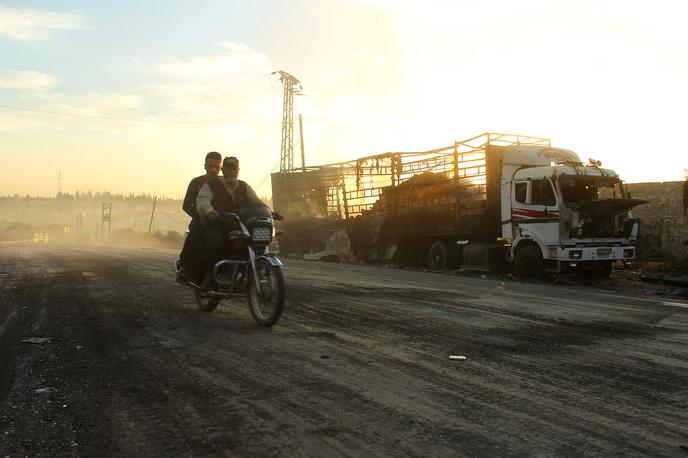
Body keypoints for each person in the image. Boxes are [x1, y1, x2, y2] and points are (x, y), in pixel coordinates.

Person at [193, 156, 264, 281]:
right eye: (228, 168)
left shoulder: (244, 186)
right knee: (215, 240)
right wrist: (209, 211)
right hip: (217, 224)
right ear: (223, 170)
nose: (231, 171)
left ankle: (252, 270)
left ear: (238, 170)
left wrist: (269, 211)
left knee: (255, 241)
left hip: (239, 226)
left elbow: (257, 202)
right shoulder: (212, 185)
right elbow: (203, 200)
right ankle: (208, 275)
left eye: (234, 168)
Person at [177, 151, 222, 281]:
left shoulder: (222, 183)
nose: (213, 169)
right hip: (200, 220)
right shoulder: (196, 182)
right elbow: (186, 205)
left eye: (216, 166)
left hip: (219, 221)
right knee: (195, 233)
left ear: (220, 167)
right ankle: (184, 266)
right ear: (205, 166)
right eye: (210, 166)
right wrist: (200, 216)